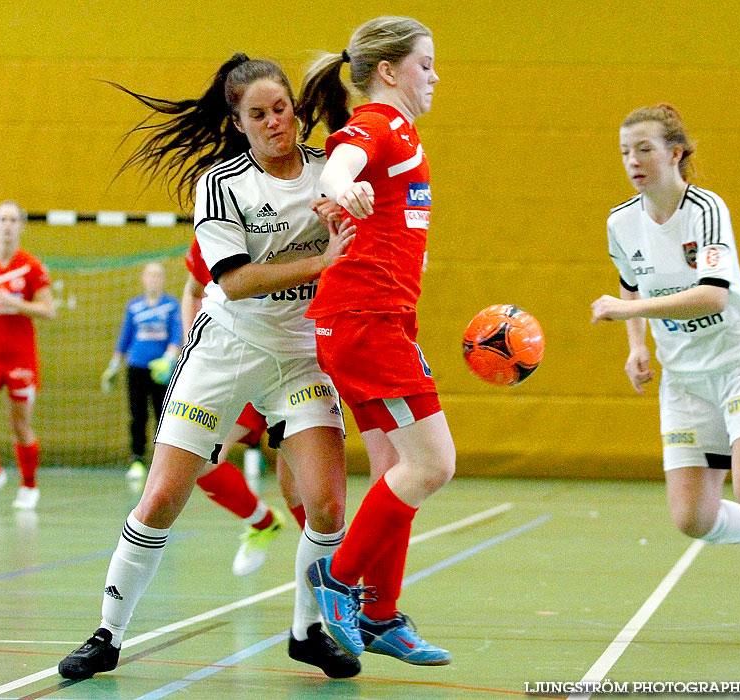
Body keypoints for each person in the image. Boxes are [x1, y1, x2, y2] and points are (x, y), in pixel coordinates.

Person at [58, 53, 359, 681]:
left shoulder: (333, 170)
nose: (276, 122)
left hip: (302, 359)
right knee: (163, 495)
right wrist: (319, 263)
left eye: (282, 108)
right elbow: (238, 280)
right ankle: (108, 633)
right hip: (226, 348)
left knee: (328, 506)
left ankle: (307, 631)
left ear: (295, 109)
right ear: (238, 122)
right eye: (259, 114)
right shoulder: (222, 182)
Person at [295, 16, 455, 665]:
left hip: (369, 320)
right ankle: (339, 584)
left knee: (398, 470)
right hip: (367, 320)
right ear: (388, 72)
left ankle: (381, 616)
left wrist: (348, 194)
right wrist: (340, 187)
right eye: (425, 63)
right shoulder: (380, 124)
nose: (434, 76)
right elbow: (339, 163)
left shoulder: (405, 134)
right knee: (433, 464)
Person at [590, 103, 740, 545]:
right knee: (692, 519)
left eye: (644, 149)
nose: (633, 161)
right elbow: (630, 284)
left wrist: (628, 312)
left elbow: (712, 295)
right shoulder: (621, 222)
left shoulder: (705, 209)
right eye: (625, 151)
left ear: (675, 153)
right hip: (685, 378)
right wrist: (636, 346)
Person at [182, 236, 306, 576]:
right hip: (239, 362)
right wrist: (190, 352)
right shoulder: (215, 228)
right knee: (201, 461)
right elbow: (193, 291)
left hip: (299, 363)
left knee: (296, 483)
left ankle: (335, 576)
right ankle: (262, 522)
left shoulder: (301, 221)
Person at [0, 201, 57, 510]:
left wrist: (14, 303)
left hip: (20, 356)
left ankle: (29, 484)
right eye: (2, 219)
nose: (7, 225)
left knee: (19, 424)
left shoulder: (30, 266)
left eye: (12, 220)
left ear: (20, 225)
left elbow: (49, 309)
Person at [101, 262, 183, 480]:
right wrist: (114, 366)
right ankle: (137, 460)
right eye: (150, 275)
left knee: (163, 416)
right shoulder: (134, 306)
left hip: (162, 371)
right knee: (138, 416)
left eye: (158, 275)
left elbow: (177, 335)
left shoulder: (172, 306)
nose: (154, 279)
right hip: (136, 367)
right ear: (143, 279)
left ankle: (163, 463)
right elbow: (124, 337)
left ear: (163, 279)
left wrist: (168, 359)